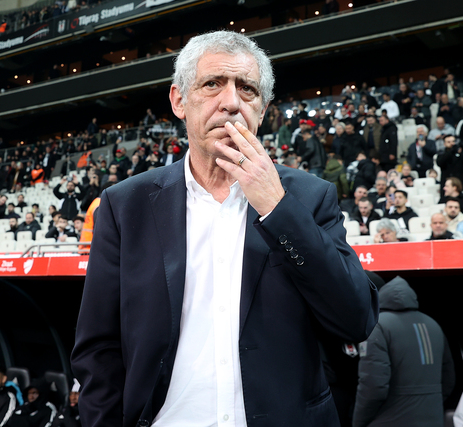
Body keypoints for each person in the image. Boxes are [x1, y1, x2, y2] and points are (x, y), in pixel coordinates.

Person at [71, 30, 378, 427]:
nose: (231, 102)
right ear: (179, 101)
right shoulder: (124, 205)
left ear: (262, 111)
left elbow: (355, 319)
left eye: (247, 89)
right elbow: (98, 347)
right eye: (212, 83)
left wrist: (278, 208)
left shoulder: (309, 196)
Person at [353, 276, 455, 427]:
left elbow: (373, 385)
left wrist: (358, 421)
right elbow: (448, 378)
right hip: (433, 418)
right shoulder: (433, 324)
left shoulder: (377, 326)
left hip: (389, 419)